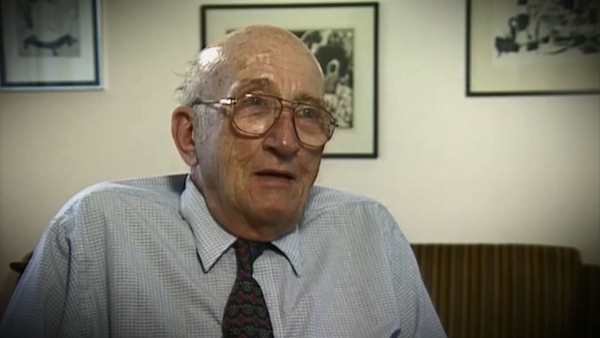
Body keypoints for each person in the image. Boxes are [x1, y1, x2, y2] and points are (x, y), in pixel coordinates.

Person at [0, 25, 446, 338]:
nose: (287, 141)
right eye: (254, 105)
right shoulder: (94, 230)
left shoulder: (370, 230)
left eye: (308, 114)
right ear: (190, 135)